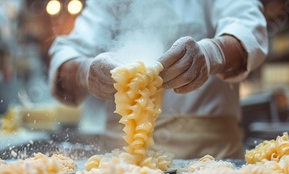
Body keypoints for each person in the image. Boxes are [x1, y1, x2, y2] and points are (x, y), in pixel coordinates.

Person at [49, 0, 268, 159]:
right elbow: (64, 59)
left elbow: (248, 32)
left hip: (209, 160)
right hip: (120, 162)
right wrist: (83, 72)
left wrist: (213, 54)